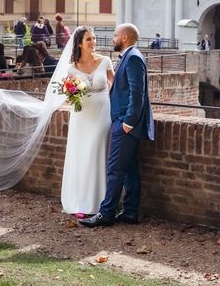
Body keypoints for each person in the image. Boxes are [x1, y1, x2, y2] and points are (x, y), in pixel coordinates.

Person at [80, 23, 153, 227]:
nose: (112, 39)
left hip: (126, 125)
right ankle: (130, 212)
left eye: (114, 35)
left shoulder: (134, 58)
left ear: (124, 38)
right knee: (129, 169)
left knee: (114, 170)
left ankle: (106, 213)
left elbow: (137, 94)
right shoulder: (130, 56)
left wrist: (128, 123)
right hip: (123, 122)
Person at [61, 27, 114, 216]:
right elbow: (67, 97)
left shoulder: (105, 61)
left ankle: (104, 201)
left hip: (102, 114)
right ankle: (81, 201)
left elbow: (115, 86)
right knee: (82, 156)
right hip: (82, 116)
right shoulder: (70, 68)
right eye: (89, 39)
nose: (93, 42)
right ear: (79, 43)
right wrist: (71, 94)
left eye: (94, 38)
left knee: (99, 152)